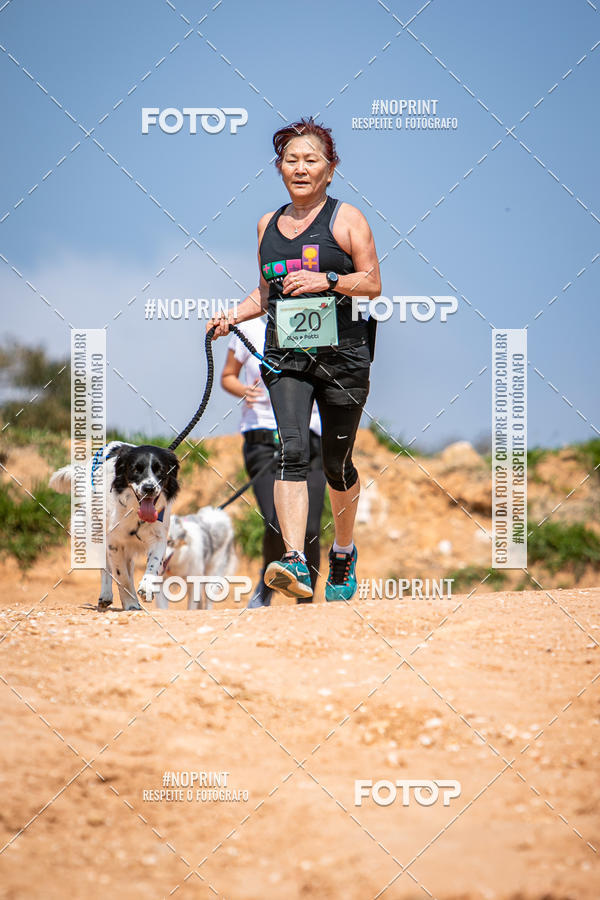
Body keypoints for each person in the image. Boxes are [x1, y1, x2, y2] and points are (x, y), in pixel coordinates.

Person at [208, 116, 381, 602]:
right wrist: (230, 316)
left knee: (336, 464)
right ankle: (296, 561)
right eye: (291, 160)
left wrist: (327, 280)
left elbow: (371, 282)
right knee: (290, 449)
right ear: (279, 168)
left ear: (330, 169)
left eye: (311, 160)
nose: (300, 168)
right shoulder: (268, 224)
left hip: (343, 357)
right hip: (286, 356)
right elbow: (264, 295)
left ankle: (343, 552)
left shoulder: (347, 220)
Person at [221, 315, 326, 606]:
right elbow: (228, 376)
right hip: (263, 439)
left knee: (312, 529)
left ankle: (306, 602)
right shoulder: (248, 329)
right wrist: (245, 391)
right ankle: (265, 592)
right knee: (275, 521)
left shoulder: (314, 320)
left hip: (310, 437)